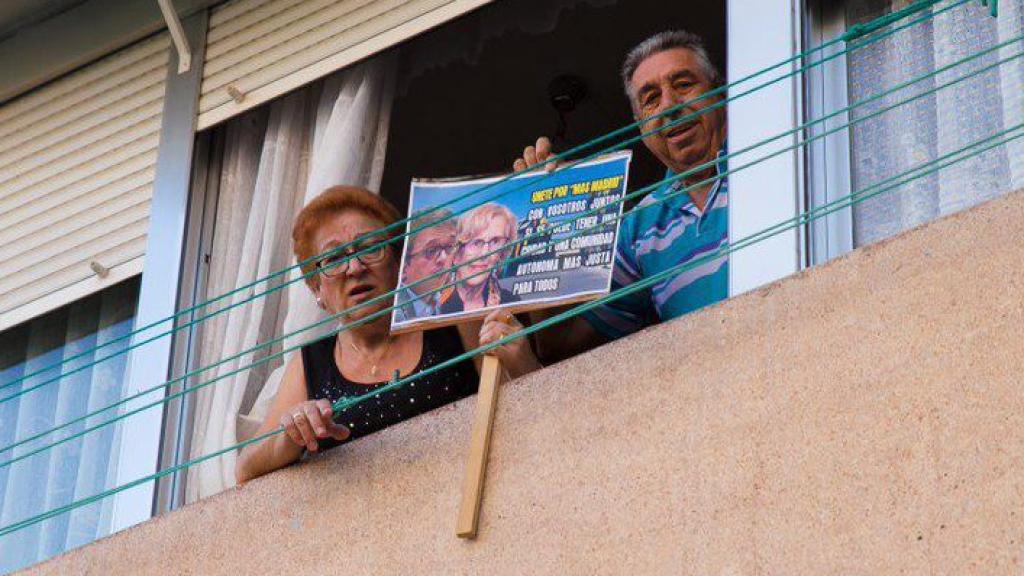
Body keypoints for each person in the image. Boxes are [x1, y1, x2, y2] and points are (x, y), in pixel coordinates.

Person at [236, 186, 541, 483]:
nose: (354, 267)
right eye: (333, 259)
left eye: (371, 248)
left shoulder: (454, 324)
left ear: (399, 263)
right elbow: (245, 469)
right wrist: (292, 434)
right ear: (317, 290)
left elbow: (527, 417)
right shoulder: (311, 362)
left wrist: (523, 362)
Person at [515, 30, 728, 362]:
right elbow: (559, 343)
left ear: (718, 92)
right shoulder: (639, 226)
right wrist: (548, 215)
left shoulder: (776, 159)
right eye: (651, 98)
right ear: (641, 125)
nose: (669, 105)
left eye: (683, 84)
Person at [440, 202, 520, 315]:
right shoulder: (433, 307)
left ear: (501, 254)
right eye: (476, 242)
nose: (484, 253)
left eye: (495, 241)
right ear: (456, 253)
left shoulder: (511, 303)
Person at [392, 209, 458, 324]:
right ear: (404, 265)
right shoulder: (395, 315)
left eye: (449, 247)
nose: (443, 258)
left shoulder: (448, 302)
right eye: (431, 250)